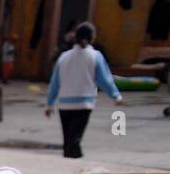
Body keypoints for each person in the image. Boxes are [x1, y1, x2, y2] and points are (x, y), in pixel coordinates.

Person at [45, 22, 123, 159]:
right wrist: (116, 96)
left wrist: (49, 104)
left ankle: (69, 161)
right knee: (74, 139)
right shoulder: (95, 56)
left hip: (64, 105)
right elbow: (104, 79)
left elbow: (54, 83)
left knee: (68, 139)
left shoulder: (63, 57)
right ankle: (74, 163)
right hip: (83, 104)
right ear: (92, 37)